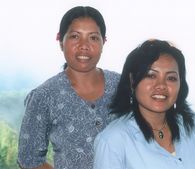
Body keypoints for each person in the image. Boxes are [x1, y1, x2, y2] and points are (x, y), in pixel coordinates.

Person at [93, 39, 195, 169]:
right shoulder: (113, 141)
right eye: (151, 75)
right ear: (132, 81)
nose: (161, 85)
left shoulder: (191, 123)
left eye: (171, 78)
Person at [18, 6, 120, 169]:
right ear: (60, 41)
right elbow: (29, 159)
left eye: (93, 38)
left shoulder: (121, 86)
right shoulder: (45, 95)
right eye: (75, 36)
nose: (84, 46)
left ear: (103, 42)